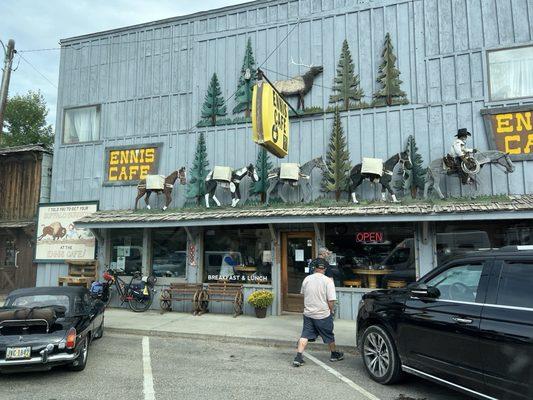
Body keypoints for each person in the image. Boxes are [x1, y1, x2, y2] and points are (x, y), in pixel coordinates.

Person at [293, 258, 344, 367]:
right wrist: (331, 310)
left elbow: (303, 294)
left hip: (308, 313)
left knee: (305, 334)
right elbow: (331, 300)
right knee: (329, 335)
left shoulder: (307, 279)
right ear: (325, 268)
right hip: (322, 314)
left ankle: (298, 356)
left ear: (314, 268)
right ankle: (334, 354)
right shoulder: (328, 281)